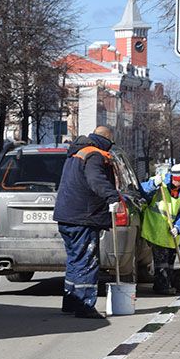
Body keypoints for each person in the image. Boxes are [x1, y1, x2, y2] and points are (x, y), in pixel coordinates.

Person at [53, 125, 120, 319]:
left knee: (75, 260)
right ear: (106, 140)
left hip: (67, 215)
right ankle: (84, 306)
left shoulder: (77, 152)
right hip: (84, 216)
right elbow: (96, 180)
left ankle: (72, 302)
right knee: (87, 261)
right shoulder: (94, 155)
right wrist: (112, 197)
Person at [140, 163, 180, 295]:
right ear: (174, 178)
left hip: (171, 231)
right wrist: (153, 185)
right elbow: (142, 191)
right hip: (155, 227)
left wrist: (178, 227)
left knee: (170, 259)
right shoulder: (160, 183)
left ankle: (169, 282)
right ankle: (161, 286)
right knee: (161, 260)